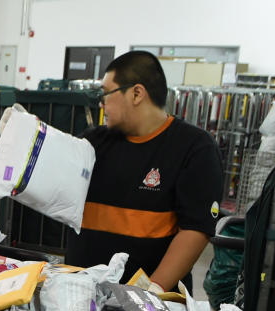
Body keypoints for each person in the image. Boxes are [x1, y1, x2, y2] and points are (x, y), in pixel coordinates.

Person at [66, 51, 222, 292]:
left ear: (136, 93)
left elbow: (195, 230)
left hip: (150, 307)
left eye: (106, 93)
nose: (101, 102)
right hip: (82, 296)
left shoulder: (193, 147)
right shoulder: (92, 143)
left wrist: (150, 293)